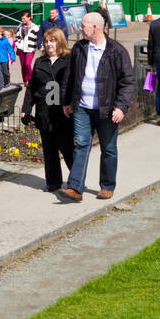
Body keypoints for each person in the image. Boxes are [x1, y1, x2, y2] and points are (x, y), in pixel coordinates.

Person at [60, 11, 135, 202]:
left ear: (95, 27)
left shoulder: (116, 51)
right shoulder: (79, 48)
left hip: (107, 109)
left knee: (108, 148)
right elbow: (70, 76)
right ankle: (75, 187)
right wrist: (67, 101)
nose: (80, 28)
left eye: (83, 25)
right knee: (81, 145)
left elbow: (128, 81)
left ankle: (107, 186)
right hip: (82, 107)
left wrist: (121, 107)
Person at [22, 28, 75, 192]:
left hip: (63, 112)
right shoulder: (40, 62)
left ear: (60, 42)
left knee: (67, 148)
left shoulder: (69, 59)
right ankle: (53, 182)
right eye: (46, 41)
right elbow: (31, 87)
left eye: (52, 41)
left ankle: (76, 181)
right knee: (49, 149)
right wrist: (26, 108)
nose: (49, 44)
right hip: (44, 111)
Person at [15, 10, 39, 84]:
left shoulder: (35, 27)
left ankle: (31, 80)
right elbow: (17, 36)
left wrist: (39, 46)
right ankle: (25, 81)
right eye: (22, 18)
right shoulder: (20, 26)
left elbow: (38, 38)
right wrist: (17, 44)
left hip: (30, 48)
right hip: (21, 48)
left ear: (29, 18)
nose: (23, 20)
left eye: (24, 18)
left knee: (27, 64)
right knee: (23, 66)